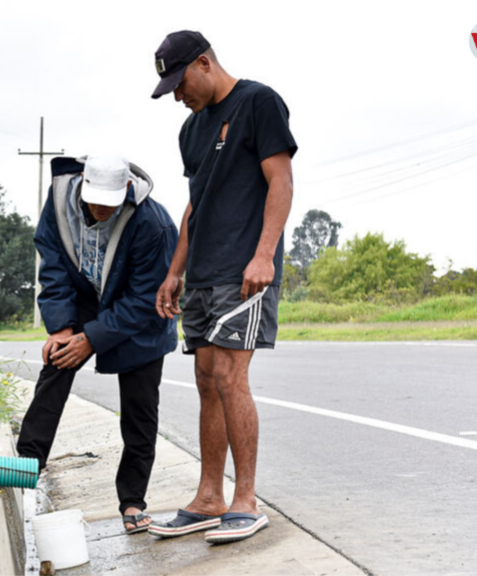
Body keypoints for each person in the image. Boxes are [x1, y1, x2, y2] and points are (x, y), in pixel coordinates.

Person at [147, 31, 296, 544]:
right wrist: (174, 271)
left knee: (231, 374)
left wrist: (263, 254)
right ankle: (209, 498)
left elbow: (281, 180)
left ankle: (246, 500)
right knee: (207, 377)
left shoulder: (258, 102)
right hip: (204, 272)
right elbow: (194, 205)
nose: (177, 95)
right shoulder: (191, 132)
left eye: (180, 82)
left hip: (243, 269)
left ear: (204, 63)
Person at [16, 154, 178, 534]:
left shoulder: (153, 223)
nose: (100, 209)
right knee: (57, 362)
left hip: (140, 318)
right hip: (85, 299)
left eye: (110, 202)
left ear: (125, 190)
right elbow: (53, 261)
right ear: (83, 185)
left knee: (140, 410)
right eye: (94, 200)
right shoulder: (60, 201)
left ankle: (133, 500)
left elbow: (144, 298)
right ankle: (26, 463)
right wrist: (61, 327)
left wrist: (93, 339)